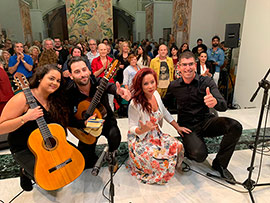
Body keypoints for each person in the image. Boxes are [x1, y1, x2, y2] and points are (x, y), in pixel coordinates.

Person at [164, 51, 242, 184]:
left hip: (207, 121)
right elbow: (163, 105)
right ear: (179, 67)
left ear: (195, 65)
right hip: (188, 127)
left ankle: (220, 164)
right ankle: (190, 146)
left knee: (235, 126)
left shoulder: (206, 81)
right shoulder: (174, 86)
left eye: (190, 64)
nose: (187, 68)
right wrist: (176, 126)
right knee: (199, 155)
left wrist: (215, 102)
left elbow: (223, 105)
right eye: (184, 65)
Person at [0, 64, 70, 191]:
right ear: (40, 78)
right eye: (51, 78)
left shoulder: (53, 98)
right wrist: (25, 118)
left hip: (46, 142)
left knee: (69, 165)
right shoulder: (22, 99)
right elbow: (1, 128)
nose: (55, 83)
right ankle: (25, 171)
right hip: (24, 148)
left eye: (58, 81)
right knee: (47, 178)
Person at [66, 56, 131, 169]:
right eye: (77, 72)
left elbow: (110, 87)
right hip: (85, 126)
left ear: (89, 70)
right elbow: (67, 118)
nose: (82, 74)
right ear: (71, 76)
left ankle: (112, 153)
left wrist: (120, 91)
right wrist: (83, 124)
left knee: (115, 136)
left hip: (106, 121)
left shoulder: (99, 82)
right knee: (86, 162)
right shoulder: (68, 92)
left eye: (84, 69)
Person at [127, 68, 188, 184]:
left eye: (152, 82)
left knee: (178, 146)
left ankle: (171, 166)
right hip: (141, 139)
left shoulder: (156, 94)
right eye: (146, 84)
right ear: (140, 86)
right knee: (156, 160)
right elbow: (131, 126)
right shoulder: (135, 103)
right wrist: (141, 130)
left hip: (156, 135)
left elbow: (164, 111)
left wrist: (177, 127)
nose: (150, 86)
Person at [91, 43, 114, 111]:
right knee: (100, 105)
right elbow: (94, 75)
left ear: (107, 50)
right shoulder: (94, 61)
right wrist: (103, 68)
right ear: (98, 50)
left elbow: (114, 75)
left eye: (105, 49)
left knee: (110, 104)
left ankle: (111, 119)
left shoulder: (111, 60)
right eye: (101, 50)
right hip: (99, 86)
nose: (103, 51)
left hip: (110, 84)